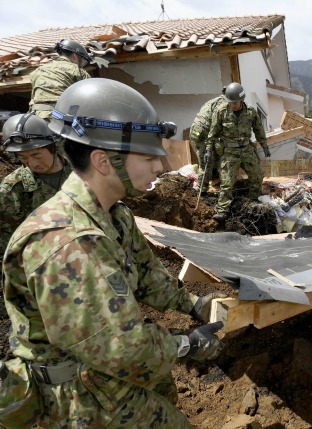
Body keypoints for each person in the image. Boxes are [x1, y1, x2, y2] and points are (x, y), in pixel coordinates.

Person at [2, 78, 227, 427]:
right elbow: (121, 349)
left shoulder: (114, 214)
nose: (161, 166)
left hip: (102, 373)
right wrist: (187, 345)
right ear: (104, 161)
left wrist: (193, 305)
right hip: (78, 398)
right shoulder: (67, 243)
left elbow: (149, 276)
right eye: (148, 156)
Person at [0, 113, 72, 260]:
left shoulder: (82, 175)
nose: (32, 164)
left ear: (53, 147)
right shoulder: (12, 190)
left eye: (37, 156)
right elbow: (8, 246)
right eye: (23, 157)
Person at [207, 82, 270, 221]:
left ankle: (252, 201)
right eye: (231, 102)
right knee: (227, 182)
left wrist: (265, 146)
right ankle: (223, 210)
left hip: (247, 149)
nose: (233, 105)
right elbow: (213, 133)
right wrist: (208, 150)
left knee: (257, 175)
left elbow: (259, 130)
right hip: (229, 151)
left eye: (235, 102)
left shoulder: (251, 112)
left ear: (241, 100)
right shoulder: (221, 111)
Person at [28, 39, 92, 121]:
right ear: (74, 56)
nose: (82, 65)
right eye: (83, 62)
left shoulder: (38, 70)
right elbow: (90, 100)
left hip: (36, 118)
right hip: (62, 119)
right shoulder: (78, 71)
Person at [189, 89, 228, 194]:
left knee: (208, 160)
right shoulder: (224, 104)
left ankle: (207, 185)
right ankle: (201, 191)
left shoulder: (215, 100)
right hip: (203, 135)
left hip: (196, 133)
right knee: (206, 163)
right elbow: (219, 126)